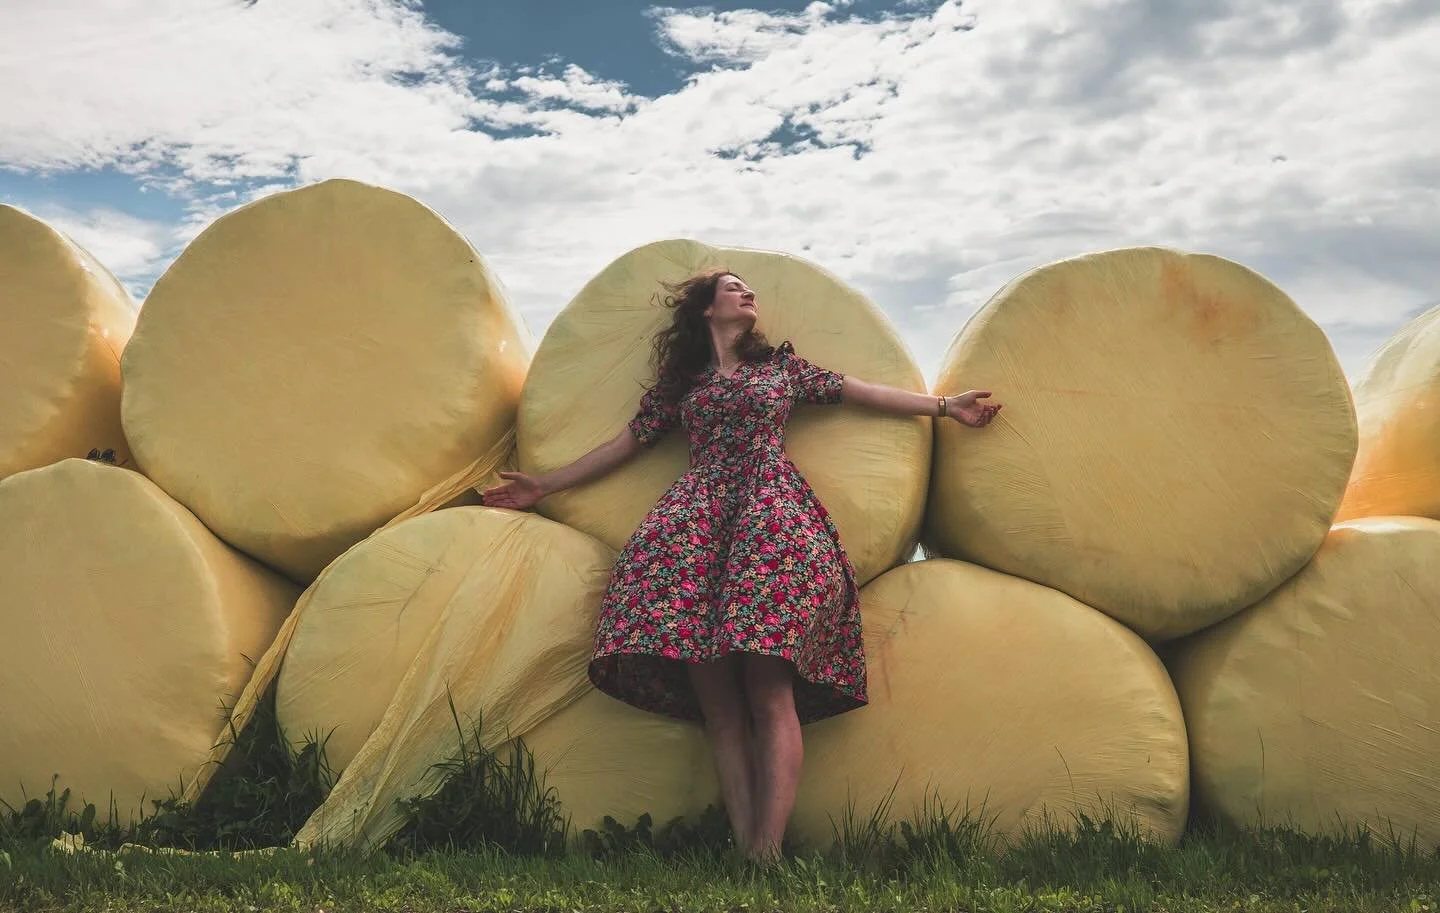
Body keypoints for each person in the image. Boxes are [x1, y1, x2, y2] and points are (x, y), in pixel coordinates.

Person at [482, 269, 1001, 862]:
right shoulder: (683, 384)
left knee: (768, 689)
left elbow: (861, 392)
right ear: (707, 310)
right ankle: (744, 848)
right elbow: (623, 446)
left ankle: (767, 851)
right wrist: (542, 485)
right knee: (719, 707)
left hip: (769, 520)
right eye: (733, 287)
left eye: (749, 287)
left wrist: (945, 407)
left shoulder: (782, 367)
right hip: (696, 527)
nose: (748, 293)